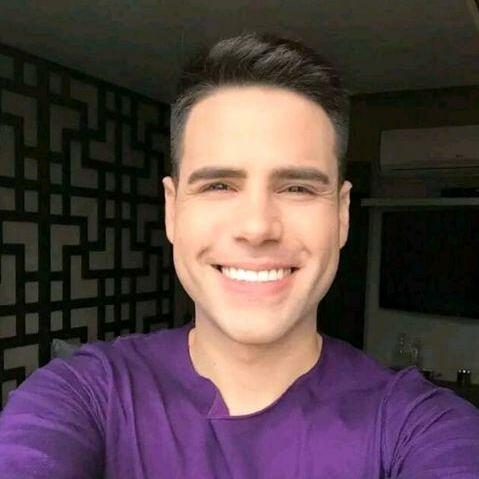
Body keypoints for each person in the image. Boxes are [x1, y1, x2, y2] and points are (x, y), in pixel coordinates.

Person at [0, 32, 478, 479]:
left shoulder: (417, 425)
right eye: (219, 185)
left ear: (342, 214)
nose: (256, 227)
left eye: (297, 187)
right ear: (172, 210)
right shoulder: (83, 393)